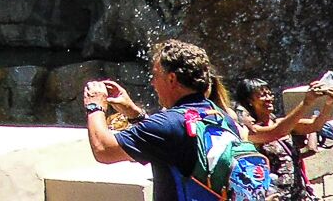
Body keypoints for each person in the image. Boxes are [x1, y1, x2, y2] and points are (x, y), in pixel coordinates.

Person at [83, 38, 265, 201]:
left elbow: (103, 149)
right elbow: (170, 143)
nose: (152, 83)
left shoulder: (168, 125)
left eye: (155, 75)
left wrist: (95, 105)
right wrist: (134, 113)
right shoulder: (221, 117)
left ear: (171, 79)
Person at [230, 76, 333, 201]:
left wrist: (329, 104)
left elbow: (315, 125)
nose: (269, 98)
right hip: (275, 197)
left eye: (270, 94)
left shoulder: (282, 122)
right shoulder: (250, 133)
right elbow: (277, 132)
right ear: (249, 101)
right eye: (263, 95)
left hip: (299, 195)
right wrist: (306, 103)